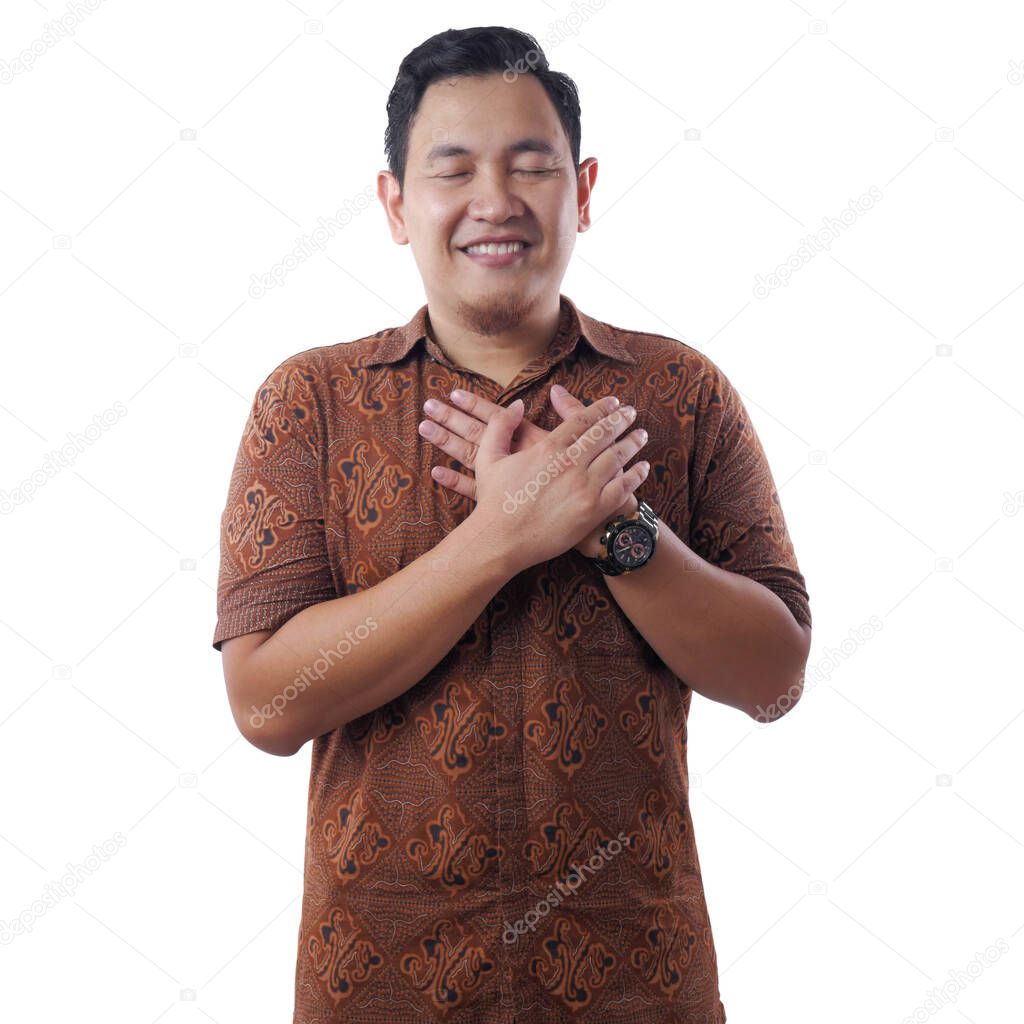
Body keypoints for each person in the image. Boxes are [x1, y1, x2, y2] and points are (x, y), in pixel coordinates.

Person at [213, 25, 812, 1024]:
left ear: (580, 191)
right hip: (384, 981)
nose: (495, 201)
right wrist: (497, 539)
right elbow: (267, 706)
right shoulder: (308, 401)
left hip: (635, 984)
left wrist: (620, 532)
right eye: (453, 169)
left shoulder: (680, 392)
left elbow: (773, 678)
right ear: (395, 204)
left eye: (530, 166)